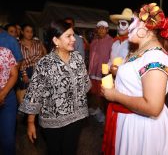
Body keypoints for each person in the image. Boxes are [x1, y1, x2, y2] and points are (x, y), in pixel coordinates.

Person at [101, 3, 168, 155]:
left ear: (145, 28)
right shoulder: (140, 51)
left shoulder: (156, 57)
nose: (129, 27)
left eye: (133, 22)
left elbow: (153, 107)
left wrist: (115, 95)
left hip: (142, 128)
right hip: (131, 122)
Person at [19, 20, 91, 155]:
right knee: (55, 151)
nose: (73, 39)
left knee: (70, 149)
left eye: (73, 35)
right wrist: (30, 122)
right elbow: (35, 93)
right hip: (53, 121)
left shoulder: (78, 58)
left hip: (77, 117)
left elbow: (85, 84)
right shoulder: (45, 64)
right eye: (68, 36)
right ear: (56, 40)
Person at [88, 20, 113, 122]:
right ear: (97, 30)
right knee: (94, 93)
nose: (101, 30)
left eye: (104, 28)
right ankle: (97, 111)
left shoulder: (112, 41)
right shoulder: (93, 42)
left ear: (107, 30)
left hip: (104, 73)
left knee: (103, 95)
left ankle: (105, 116)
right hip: (93, 73)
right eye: (99, 28)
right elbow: (91, 57)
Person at [0, 47, 18, 155]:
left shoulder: (5, 52)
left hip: (7, 96)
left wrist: (2, 94)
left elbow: (14, 75)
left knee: (8, 139)